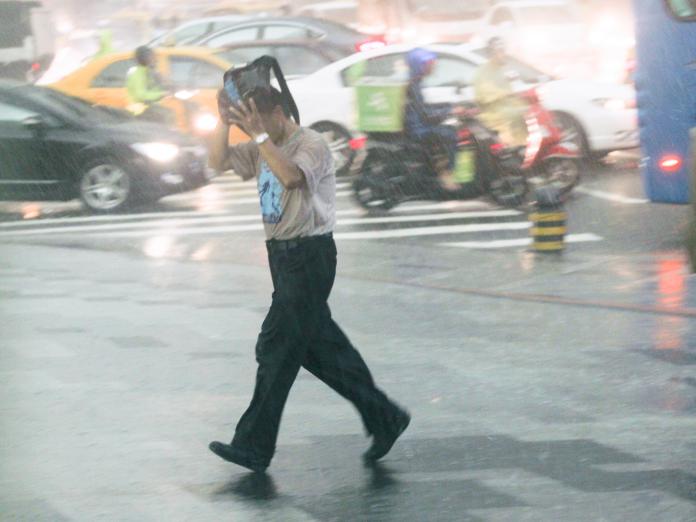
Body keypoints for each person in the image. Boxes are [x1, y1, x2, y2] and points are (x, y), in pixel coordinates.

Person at [207, 86, 410, 473]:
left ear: (278, 113)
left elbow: (291, 178)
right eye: (247, 120)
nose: (252, 127)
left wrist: (262, 138)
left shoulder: (311, 143)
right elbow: (217, 163)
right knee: (321, 350)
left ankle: (252, 446)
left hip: (309, 254)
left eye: (258, 119)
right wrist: (224, 124)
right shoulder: (261, 143)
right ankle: (385, 416)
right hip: (281, 257)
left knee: (275, 349)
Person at [404, 48, 464, 192]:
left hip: (420, 124)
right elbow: (425, 114)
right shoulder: (413, 86)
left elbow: (425, 107)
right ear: (419, 66)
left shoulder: (415, 83)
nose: (432, 67)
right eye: (428, 64)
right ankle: (446, 173)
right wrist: (449, 111)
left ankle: (438, 166)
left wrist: (449, 106)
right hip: (419, 129)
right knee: (452, 134)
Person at [473, 37, 528, 149]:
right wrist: (504, 94)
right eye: (500, 52)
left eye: (503, 51)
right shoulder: (483, 71)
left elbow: (513, 91)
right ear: (492, 53)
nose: (503, 54)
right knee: (515, 115)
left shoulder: (502, 70)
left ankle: (524, 146)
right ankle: (515, 147)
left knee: (528, 112)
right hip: (492, 111)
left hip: (506, 106)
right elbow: (483, 95)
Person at [125, 46, 172, 124]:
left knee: (167, 114)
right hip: (139, 112)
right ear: (144, 58)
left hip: (149, 109)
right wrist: (161, 94)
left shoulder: (149, 72)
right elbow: (140, 95)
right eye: (152, 57)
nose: (155, 59)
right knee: (166, 116)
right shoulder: (137, 74)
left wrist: (167, 86)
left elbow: (154, 87)